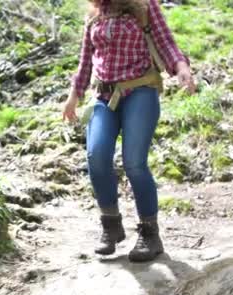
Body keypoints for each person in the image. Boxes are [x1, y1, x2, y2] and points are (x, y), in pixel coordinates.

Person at [62, 0, 195, 262]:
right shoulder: (96, 13)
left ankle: (150, 234)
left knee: (134, 163)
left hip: (140, 90)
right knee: (96, 156)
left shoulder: (145, 6)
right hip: (103, 95)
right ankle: (111, 226)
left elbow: (165, 41)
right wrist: (73, 96)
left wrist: (181, 68)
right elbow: (85, 60)